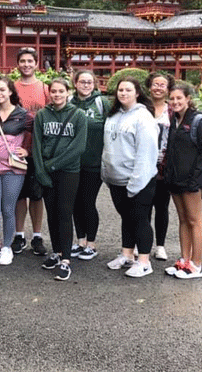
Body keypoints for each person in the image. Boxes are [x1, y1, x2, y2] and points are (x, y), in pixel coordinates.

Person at [102, 77, 159, 278]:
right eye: (120, 90)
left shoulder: (143, 118)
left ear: (137, 93)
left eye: (128, 90)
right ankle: (127, 254)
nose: (123, 93)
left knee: (140, 220)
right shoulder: (114, 115)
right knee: (126, 218)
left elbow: (146, 154)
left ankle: (144, 261)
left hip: (138, 181)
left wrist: (136, 182)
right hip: (116, 179)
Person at [33, 78, 87, 281]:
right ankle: (55, 252)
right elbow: (37, 144)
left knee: (65, 212)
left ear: (67, 92)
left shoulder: (78, 115)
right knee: (52, 212)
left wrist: (52, 165)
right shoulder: (42, 115)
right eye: (53, 91)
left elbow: (78, 147)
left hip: (68, 171)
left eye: (60, 91)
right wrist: (40, 170)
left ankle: (66, 259)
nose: (56, 95)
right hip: (46, 170)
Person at [164, 83, 202, 279]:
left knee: (195, 220)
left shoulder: (199, 121)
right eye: (172, 99)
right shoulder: (174, 120)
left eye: (179, 98)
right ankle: (184, 260)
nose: (175, 102)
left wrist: (196, 179)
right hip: (175, 179)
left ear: (188, 99)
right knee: (183, 220)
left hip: (192, 180)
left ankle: (197, 264)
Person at [0, 76, 31, 265]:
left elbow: (36, 134)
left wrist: (28, 149)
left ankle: (7, 246)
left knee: (8, 209)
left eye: (2, 90)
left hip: (13, 168)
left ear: (10, 91)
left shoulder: (23, 115)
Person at [70, 70, 111, 261]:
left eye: (89, 82)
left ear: (94, 84)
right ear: (75, 83)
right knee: (75, 203)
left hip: (93, 162)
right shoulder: (69, 101)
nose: (85, 85)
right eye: (82, 82)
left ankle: (92, 243)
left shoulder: (102, 103)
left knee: (87, 201)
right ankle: (80, 241)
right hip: (72, 163)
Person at [13, 47, 49, 256]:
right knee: (19, 195)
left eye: (30, 61)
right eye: (22, 61)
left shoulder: (44, 88)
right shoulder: (12, 88)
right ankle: (19, 234)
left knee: (36, 195)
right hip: (16, 148)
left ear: (36, 64)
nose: (26, 64)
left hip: (36, 149)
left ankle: (37, 234)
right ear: (17, 64)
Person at [145, 72, 176, 261]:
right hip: (143, 164)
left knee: (162, 207)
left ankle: (161, 245)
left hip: (164, 165)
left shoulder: (172, 110)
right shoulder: (142, 108)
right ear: (149, 86)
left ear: (168, 89)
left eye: (162, 85)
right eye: (155, 84)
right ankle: (144, 245)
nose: (158, 88)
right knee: (143, 206)